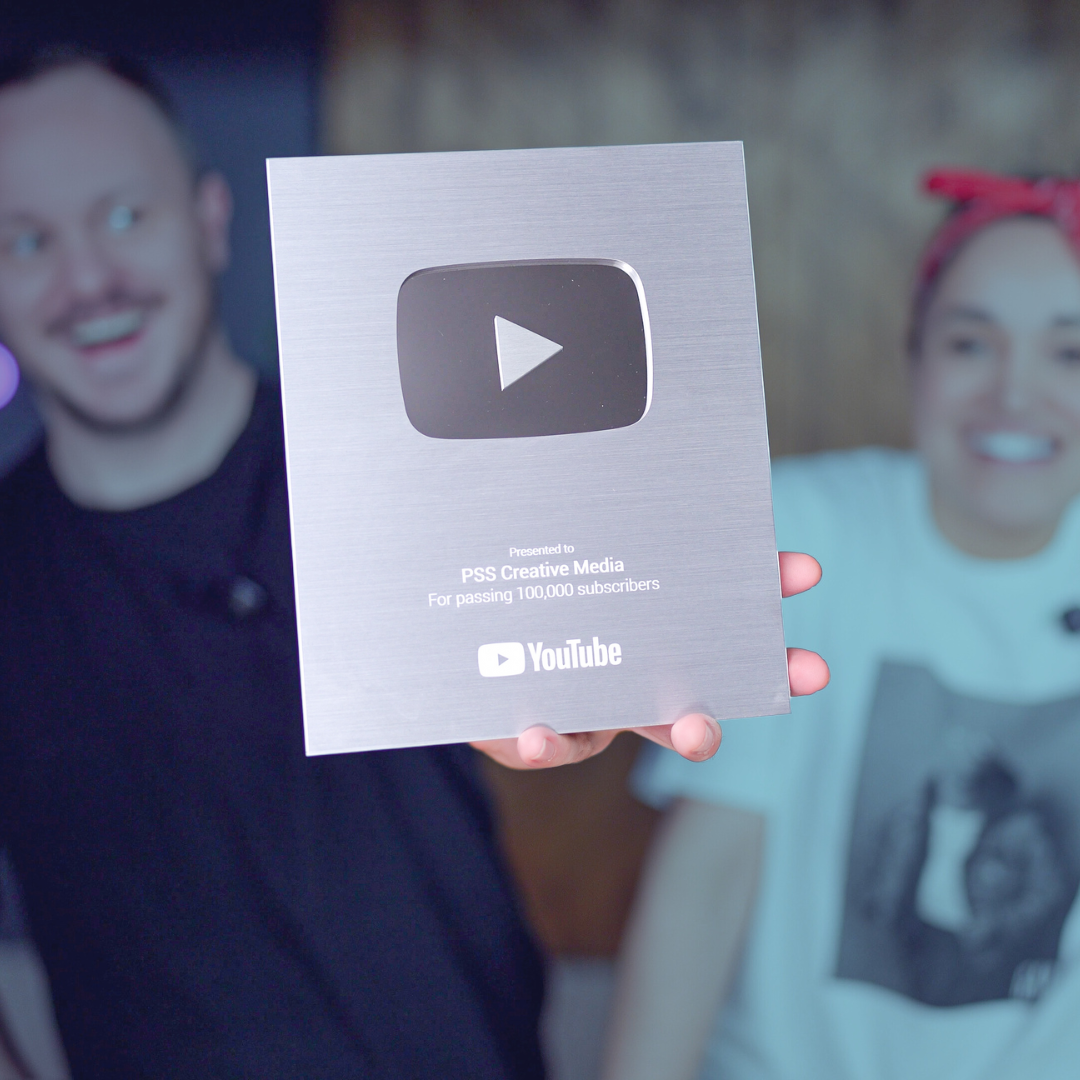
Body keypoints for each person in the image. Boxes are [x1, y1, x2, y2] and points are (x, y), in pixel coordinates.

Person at [0, 48, 827, 1078]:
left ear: (210, 220)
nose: (88, 279)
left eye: (123, 216)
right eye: (27, 239)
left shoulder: (410, 459)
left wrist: (593, 663)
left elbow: (542, 649)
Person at [603, 170, 1080, 1080]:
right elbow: (709, 869)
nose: (1015, 395)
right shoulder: (805, 533)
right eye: (972, 343)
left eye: (1071, 354)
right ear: (915, 357)